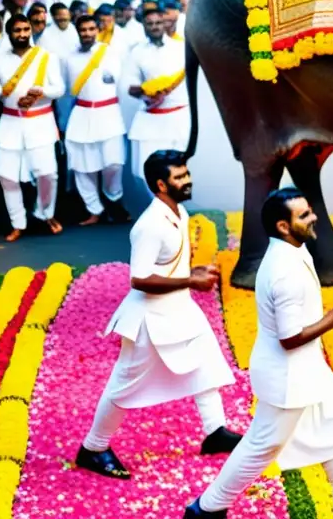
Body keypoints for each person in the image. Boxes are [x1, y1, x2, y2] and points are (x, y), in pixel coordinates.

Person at [185, 188, 333, 519]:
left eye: (310, 211)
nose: (314, 217)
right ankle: (207, 509)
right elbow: (289, 338)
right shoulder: (285, 272)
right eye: (304, 215)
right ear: (283, 227)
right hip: (288, 375)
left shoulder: (291, 252)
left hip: (304, 369)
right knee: (262, 446)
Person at [77, 150, 241, 480]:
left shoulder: (178, 211)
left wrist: (190, 271)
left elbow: (167, 266)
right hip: (150, 321)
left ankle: (215, 432)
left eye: (186, 173)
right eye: (180, 177)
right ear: (161, 184)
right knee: (124, 386)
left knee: (205, 364)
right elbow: (139, 278)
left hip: (181, 310)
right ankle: (93, 449)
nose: (188, 179)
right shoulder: (149, 226)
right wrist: (190, 280)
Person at [0, 14, 65, 241]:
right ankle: (17, 223)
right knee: (7, 177)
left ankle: (45, 213)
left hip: (40, 122)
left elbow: (59, 88)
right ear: (8, 34)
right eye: (17, 30)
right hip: (11, 124)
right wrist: (2, 90)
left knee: (48, 174)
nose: (22, 34)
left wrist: (42, 92)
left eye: (25, 30)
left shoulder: (46, 57)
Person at [63, 15, 129, 225]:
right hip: (81, 115)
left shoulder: (109, 52)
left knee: (114, 163)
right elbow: (66, 89)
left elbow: (119, 82)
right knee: (82, 166)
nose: (88, 33)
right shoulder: (69, 58)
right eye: (83, 30)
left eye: (92, 29)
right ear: (77, 31)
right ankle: (94, 210)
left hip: (109, 114)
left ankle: (114, 201)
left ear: (97, 30)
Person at [126, 7, 190, 192]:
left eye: (158, 23)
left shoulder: (181, 48)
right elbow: (130, 86)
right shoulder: (137, 52)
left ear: (165, 24)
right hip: (150, 119)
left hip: (178, 118)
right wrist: (147, 92)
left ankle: (177, 213)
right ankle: (160, 210)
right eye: (150, 24)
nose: (155, 27)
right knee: (145, 172)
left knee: (179, 170)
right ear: (143, 27)